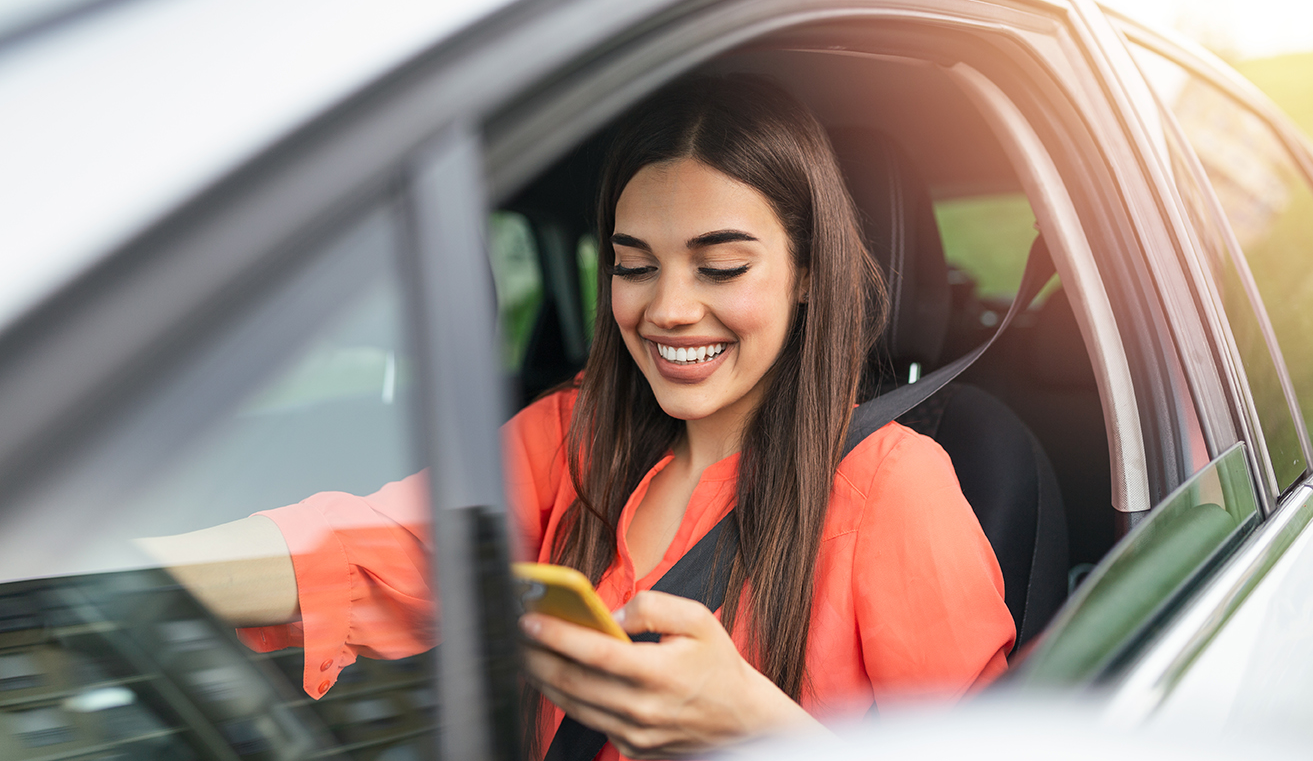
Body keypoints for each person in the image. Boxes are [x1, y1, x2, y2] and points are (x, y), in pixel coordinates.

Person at [142, 74, 1014, 760]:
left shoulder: (893, 488)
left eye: (720, 269)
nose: (668, 309)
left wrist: (754, 728)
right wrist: (115, 576)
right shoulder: (575, 436)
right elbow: (371, 547)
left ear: (807, 274)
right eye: (634, 266)